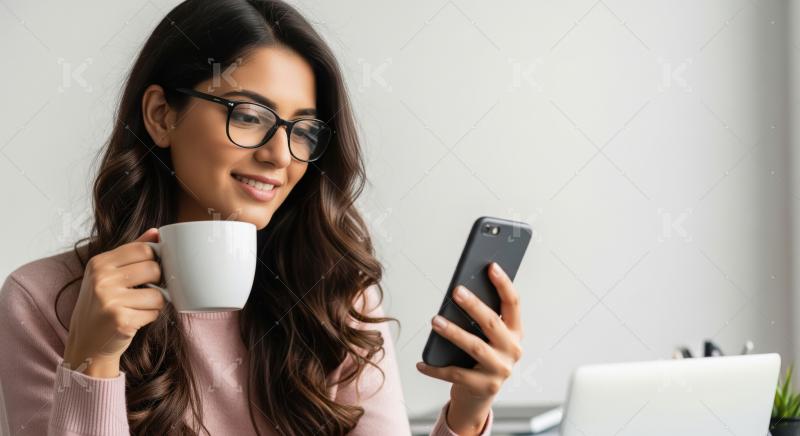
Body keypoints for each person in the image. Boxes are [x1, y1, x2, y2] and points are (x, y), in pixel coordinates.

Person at [0, 1, 523, 435]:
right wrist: (93, 362)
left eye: (303, 130)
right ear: (161, 115)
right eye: (248, 116)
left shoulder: (334, 295)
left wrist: (467, 414)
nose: (279, 156)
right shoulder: (45, 300)